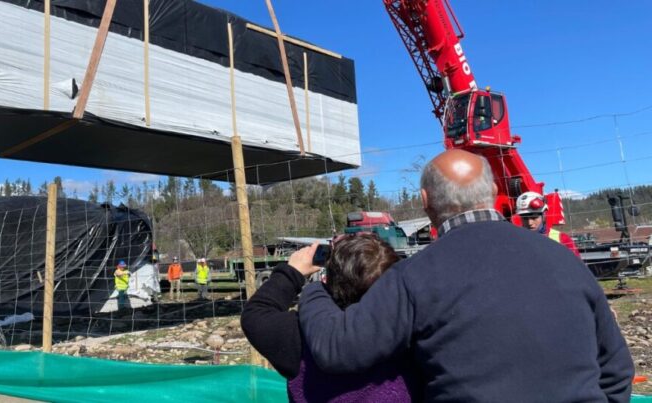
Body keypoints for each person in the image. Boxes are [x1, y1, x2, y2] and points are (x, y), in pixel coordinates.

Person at [299, 149, 633, 401]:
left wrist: (313, 288)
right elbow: (617, 370)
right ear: (490, 191)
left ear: (425, 201)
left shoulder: (415, 276)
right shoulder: (565, 259)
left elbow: (337, 349)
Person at [241, 234, 417, 402]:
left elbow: (256, 314)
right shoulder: (413, 326)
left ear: (330, 280)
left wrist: (292, 272)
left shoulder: (302, 337)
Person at [516, 191, 580, 257]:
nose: (530, 223)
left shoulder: (562, 239)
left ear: (544, 215)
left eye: (534, 217)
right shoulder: (516, 240)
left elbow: (576, 265)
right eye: (525, 218)